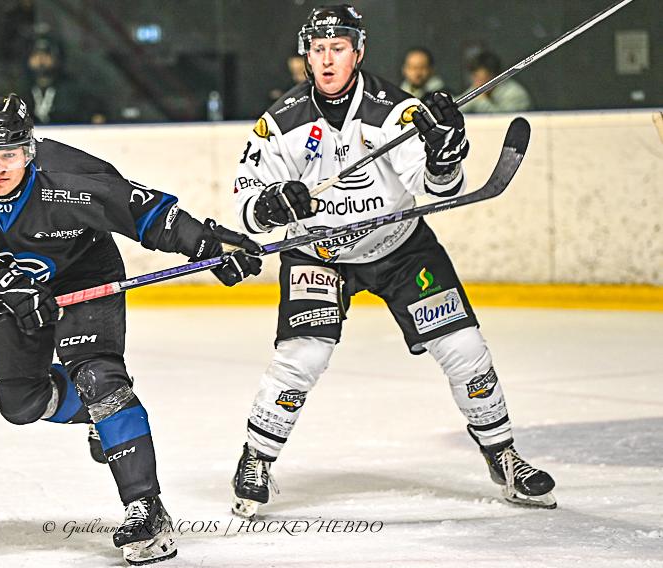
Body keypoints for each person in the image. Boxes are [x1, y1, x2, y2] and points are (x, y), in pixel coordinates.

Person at [229, 4, 556, 518]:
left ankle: (504, 456)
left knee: (464, 348)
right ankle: (257, 458)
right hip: (318, 254)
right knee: (302, 357)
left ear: (358, 52)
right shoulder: (278, 124)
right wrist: (270, 205)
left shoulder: (396, 113)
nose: (327, 59)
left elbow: (439, 189)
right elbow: (247, 206)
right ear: (306, 56)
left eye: (338, 48)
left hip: (400, 248)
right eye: (318, 49)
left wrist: (444, 154)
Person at [0, 93, 262, 565]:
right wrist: (1, 288)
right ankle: (101, 415)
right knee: (20, 403)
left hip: (87, 277)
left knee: (99, 379)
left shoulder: (72, 177)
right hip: (14, 290)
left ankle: (146, 509)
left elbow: (145, 213)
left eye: (9, 154)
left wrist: (206, 245)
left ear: (29, 150)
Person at [463, 51, 532, 113]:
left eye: (481, 79)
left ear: (494, 77)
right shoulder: (477, 88)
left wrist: (481, 101)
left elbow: (504, 119)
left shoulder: (515, 94)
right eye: (475, 77)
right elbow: (459, 108)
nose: (477, 83)